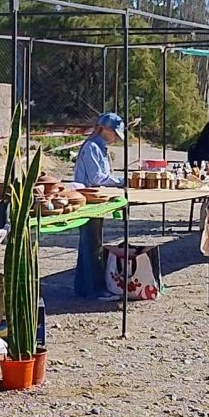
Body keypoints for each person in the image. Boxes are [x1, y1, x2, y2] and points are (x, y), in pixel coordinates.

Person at [71, 114, 126, 301]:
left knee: (89, 244)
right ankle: (95, 289)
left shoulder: (99, 147)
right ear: (105, 129)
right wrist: (122, 181)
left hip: (94, 201)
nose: (115, 138)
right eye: (114, 133)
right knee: (92, 246)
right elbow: (97, 178)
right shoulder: (92, 147)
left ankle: (82, 288)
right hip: (88, 201)